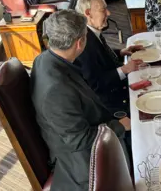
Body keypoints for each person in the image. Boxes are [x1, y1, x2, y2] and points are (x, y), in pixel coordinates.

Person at [30, 10, 131, 190]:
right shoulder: (56, 90)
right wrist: (119, 126)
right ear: (80, 43)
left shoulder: (44, 58)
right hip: (80, 163)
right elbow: (79, 140)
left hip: (83, 128)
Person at [74, 0, 143, 116]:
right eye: (103, 9)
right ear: (88, 13)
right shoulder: (84, 44)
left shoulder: (91, 31)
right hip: (110, 104)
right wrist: (124, 69)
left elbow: (102, 56)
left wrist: (121, 52)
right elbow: (95, 85)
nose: (109, 13)